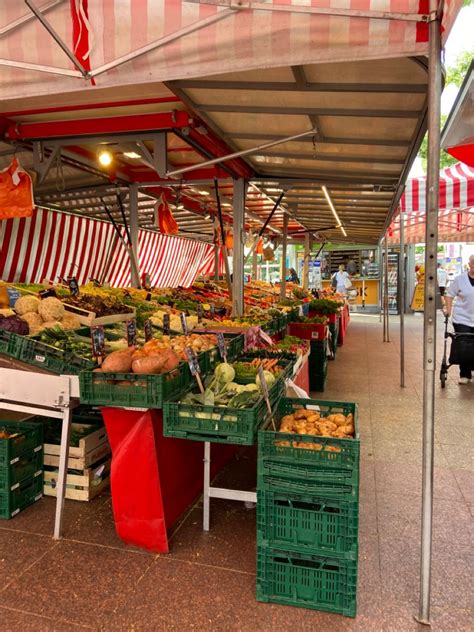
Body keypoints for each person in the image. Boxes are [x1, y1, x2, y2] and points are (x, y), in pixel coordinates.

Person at [444, 254, 474, 384]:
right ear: (470, 264)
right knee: (464, 345)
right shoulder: (460, 279)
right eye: (473, 263)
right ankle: (465, 374)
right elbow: (449, 295)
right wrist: (449, 309)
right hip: (462, 318)